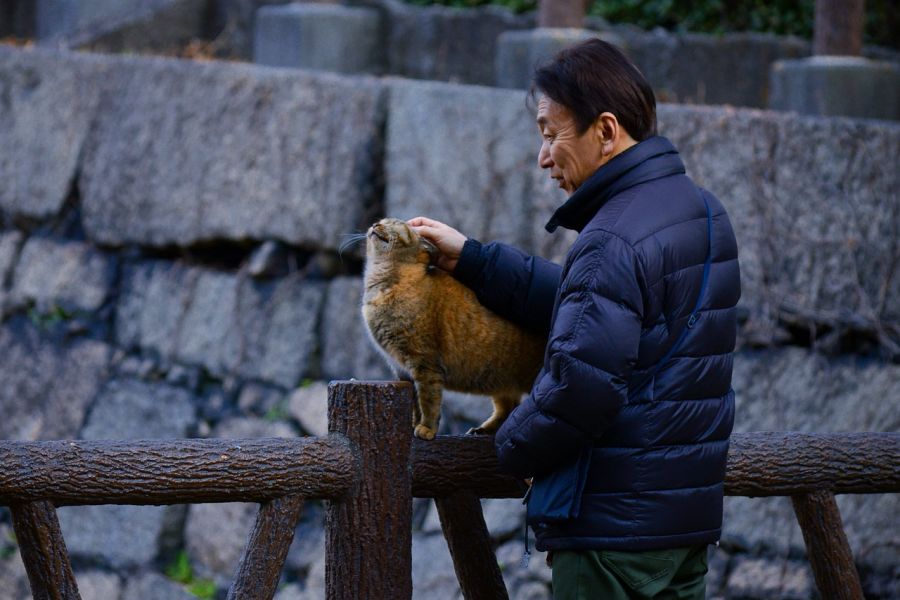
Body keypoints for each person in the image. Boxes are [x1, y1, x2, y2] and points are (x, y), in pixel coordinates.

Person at [410, 39, 739, 599]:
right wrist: (474, 259)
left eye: (549, 133)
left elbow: (578, 389)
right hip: (681, 530)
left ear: (605, 132)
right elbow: (593, 308)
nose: (543, 157)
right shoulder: (700, 210)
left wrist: (507, 449)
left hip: (610, 538)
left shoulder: (610, 238)